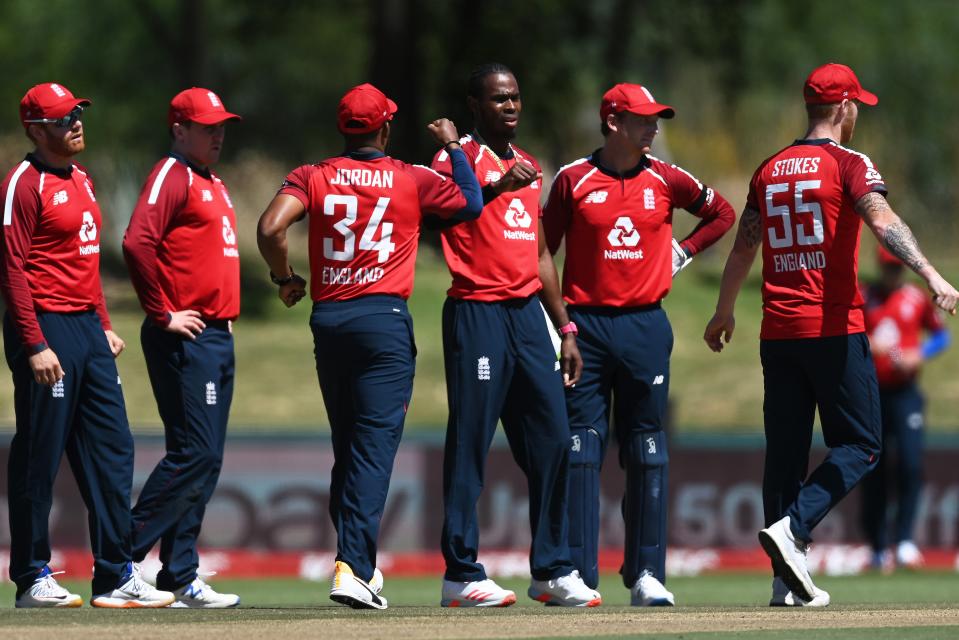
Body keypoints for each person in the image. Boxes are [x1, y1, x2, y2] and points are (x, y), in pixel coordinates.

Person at [704, 63, 958, 607]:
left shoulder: (769, 168)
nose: (858, 112)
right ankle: (793, 531)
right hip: (833, 327)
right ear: (844, 107)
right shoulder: (847, 162)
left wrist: (724, 310)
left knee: (787, 452)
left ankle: (783, 581)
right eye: (857, 104)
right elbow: (884, 221)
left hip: (778, 331)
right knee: (864, 443)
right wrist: (932, 274)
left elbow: (744, 247)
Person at [257, 83, 482, 609]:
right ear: (384, 128)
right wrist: (453, 147)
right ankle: (353, 568)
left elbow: (270, 226)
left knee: (349, 449)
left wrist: (285, 278)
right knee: (374, 452)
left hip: (329, 320)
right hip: (383, 321)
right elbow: (470, 203)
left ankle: (359, 563)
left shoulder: (312, 175)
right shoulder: (411, 176)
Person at [543, 83, 735, 606]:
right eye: (643, 119)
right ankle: (577, 575)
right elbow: (541, 255)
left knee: (648, 449)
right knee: (581, 447)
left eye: (656, 119)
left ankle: (647, 574)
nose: (654, 128)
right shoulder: (573, 180)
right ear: (613, 122)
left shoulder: (665, 177)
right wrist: (559, 326)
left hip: (646, 325)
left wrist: (684, 250)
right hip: (584, 327)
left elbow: (722, 213)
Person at [430, 63, 601, 608]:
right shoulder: (453, 157)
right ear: (475, 105)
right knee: (472, 441)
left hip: (528, 314)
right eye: (499, 99)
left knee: (554, 438)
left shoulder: (529, 165)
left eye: (515, 98)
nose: (511, 106)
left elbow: (541, 255)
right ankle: (461, 573)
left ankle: (551, 569)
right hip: (477, 310)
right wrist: (497, 183)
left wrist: (566, 326)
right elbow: (452, 209)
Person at [0, 82, 174, 608]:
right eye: (61, 120)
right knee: (41, 453)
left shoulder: (82, 179)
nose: (75, 124)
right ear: (35, 129)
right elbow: (11, 269)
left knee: (113, 450)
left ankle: (116, 574)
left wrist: (101, 321)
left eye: (77, 114)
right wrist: (33, 344)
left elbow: (85, 259)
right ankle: (33, 576)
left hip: (86, 330)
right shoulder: (23, 184)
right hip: (46, 329)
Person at [121, 87, 243, 608]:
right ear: (179, 129)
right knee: (195, 452)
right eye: (206, 126)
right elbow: (136, 241)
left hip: (215, 332)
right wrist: (163, 311)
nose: (217, 134)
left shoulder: (210, 179)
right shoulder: (171, 175)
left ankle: (179, 573)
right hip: (185, 334)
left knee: (205, 458)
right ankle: (121, 556)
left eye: (220, 125)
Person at [860, 245, 950, 570]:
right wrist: (871, 344)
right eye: (888, 268)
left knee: (910, 464)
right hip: (871, 394)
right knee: (875, 468)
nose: (892, 274)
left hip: (905, 393)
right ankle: (878, 546)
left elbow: (941, 337)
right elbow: (855, 336)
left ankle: (905, 541)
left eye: (897, 269)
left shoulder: (914, 298)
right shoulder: (864, 296)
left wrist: (918, 355)